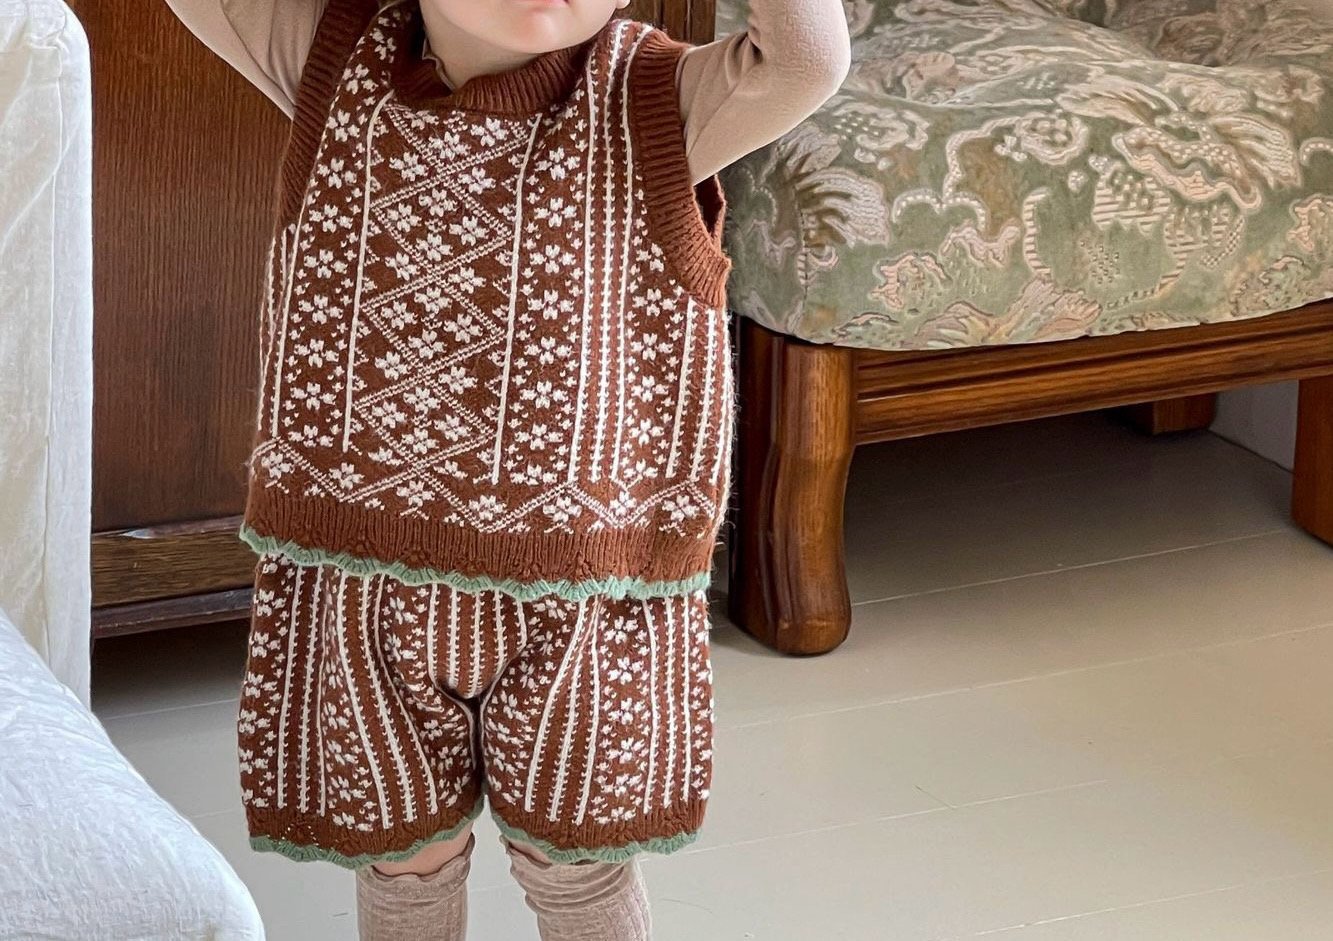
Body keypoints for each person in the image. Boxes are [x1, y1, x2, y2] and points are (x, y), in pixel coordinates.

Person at [164, 0, 850, 937]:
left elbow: (808, 59)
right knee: (401, 858)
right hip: (365, 580)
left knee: (579, 868)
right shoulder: (332, 58)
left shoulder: (664, 99)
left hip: (585, 592)